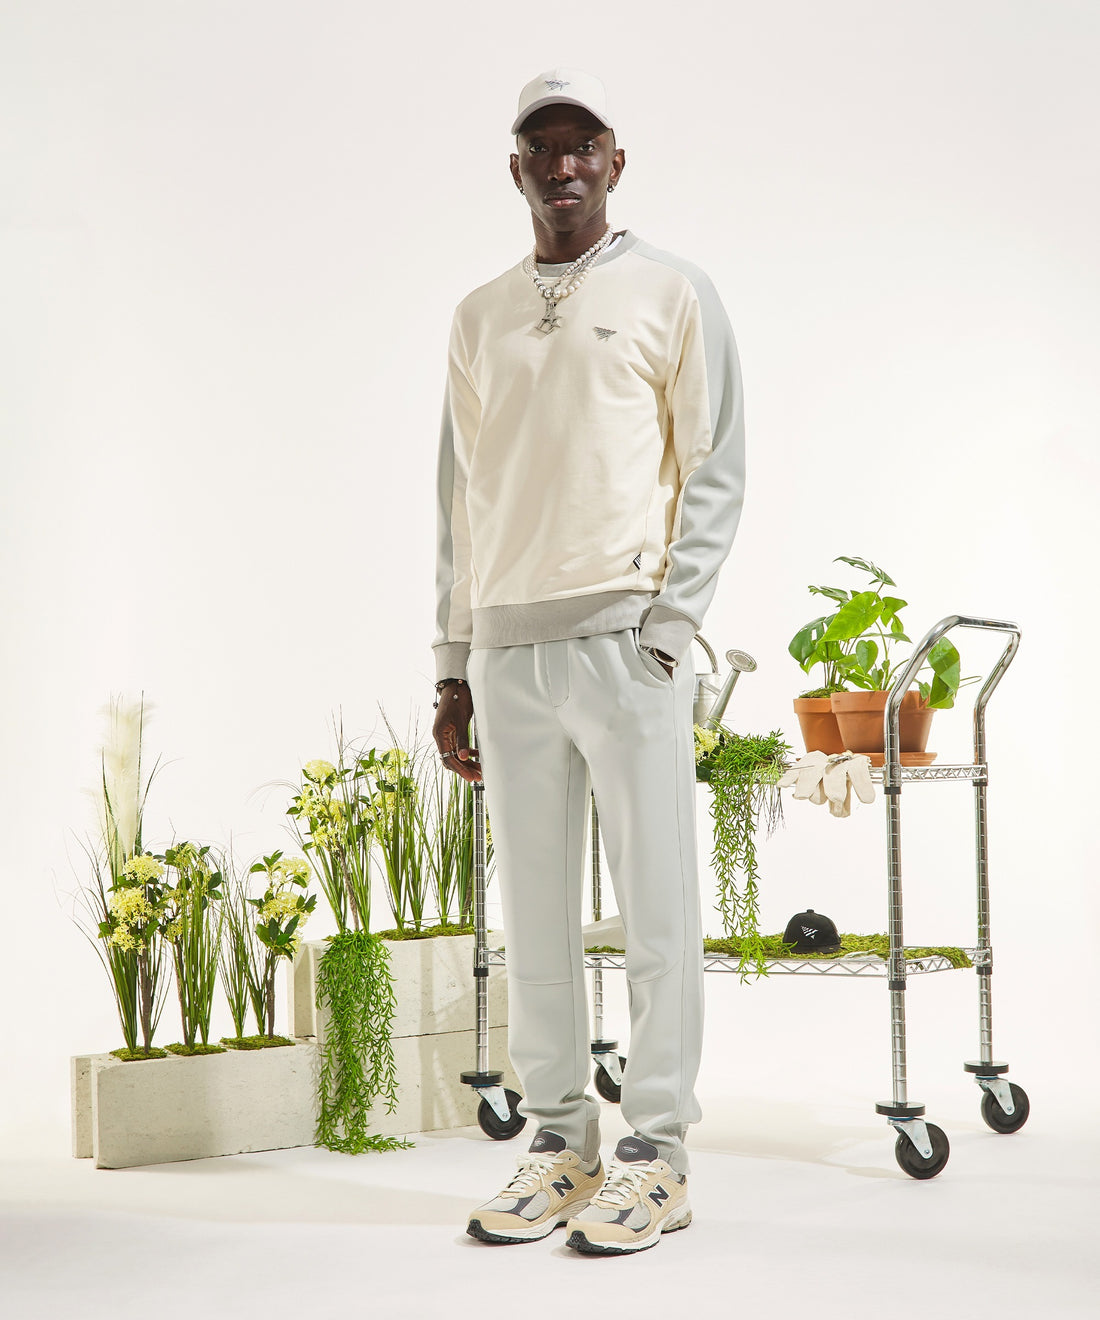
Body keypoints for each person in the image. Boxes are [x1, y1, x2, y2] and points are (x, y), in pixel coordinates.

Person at [431, 67, 745, 1255]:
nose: (562, 165)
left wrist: (668, 629)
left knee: (655, 913)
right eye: (541, 147)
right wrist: (453, 663)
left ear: (615, 161)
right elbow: (458, 498)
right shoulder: (477, 316)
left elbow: (713, 464)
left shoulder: (671, 291)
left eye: (583, 145)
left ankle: (655, 1158)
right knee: (536, 921)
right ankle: (560, 1143)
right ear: (514, 169)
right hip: (508, 652)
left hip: (624, 645)